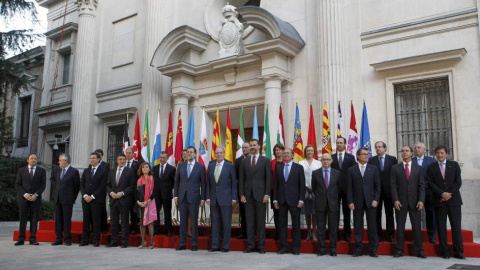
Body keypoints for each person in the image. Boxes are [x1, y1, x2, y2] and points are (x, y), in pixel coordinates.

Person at [427, 145, 464, 259]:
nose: (439, 155)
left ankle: (458, 252)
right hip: (439, 201)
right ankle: (445, 252)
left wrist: (448, 194)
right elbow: (431, 183)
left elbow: (458, 182)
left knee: (456, 227)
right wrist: (442, 194)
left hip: (454, 202)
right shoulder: (431, 167)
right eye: (437, 153)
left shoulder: (454, 165)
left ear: (446, 154)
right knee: (441, 228)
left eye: (442, 153)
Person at [391, 146, 426, 258]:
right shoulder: (395, 168)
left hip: (415, 202)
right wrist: (395, 199)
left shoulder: (418, 168)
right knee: (400, 227)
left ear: (412, 153)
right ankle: (399, 250)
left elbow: (421, 186)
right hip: (400, 202)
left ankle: (419, 250)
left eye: (407, 151)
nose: (404, 152)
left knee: (416, 227)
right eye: (403, 151)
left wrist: (421, 200)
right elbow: (392, 186)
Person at [239, 139, 271, 254]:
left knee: (260, 222)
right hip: (248, 196)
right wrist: (241, 194)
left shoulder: (265, 160)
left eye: (254, 145)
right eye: (251, 145)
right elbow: (241, 180)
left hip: (261, 195)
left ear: (259, 146)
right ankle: (251, 245)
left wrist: (267, 194)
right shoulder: (244, 161)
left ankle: (261, 246)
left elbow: (268, 179)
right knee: (250, 222)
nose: (252, 147)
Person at [347, 147, 380, 257]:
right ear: (358, 156)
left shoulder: (373, 168)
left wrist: (376, 199)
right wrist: (350, 201)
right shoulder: (351, 170)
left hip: (371, 202)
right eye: (364, 154)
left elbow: (377, 186)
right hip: (357, 202)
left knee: (372, 226)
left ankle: (373, 249)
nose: (367, 156)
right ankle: (358, 249)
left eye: (367, 154)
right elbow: (349, 188)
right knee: (357, 227)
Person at [273, 148, 305, 255]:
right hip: (281, 200)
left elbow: (302, 185)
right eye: (284, 153)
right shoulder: (279, 168)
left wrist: (301, 199)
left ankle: (296, 248)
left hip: (295, 200)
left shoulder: (299, 168)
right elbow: (276, 185)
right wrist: (275, 200)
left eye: (288, 153)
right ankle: (284, 247)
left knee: (296, 225)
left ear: (292, 155)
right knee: (282, 225)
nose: (286, 155)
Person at [174, 146, 206, 251]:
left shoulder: (200, 167)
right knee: (182, 222)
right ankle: (182, 243)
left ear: (195, 154)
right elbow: (177, 182)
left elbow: (204, 184)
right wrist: (175, 196)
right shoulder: (181, 165)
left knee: (193, 222)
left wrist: (202, 199)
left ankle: (194, 244)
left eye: (191, 152)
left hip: (194, 198)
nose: (189, 154)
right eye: (188, 152)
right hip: (182, 198)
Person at [206, 146, 237, 252]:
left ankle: (225, 246)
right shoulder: (211, 166)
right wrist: (208, 197)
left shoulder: (230, 166)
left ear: (224, 154)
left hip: (226, 198)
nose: (219, 154)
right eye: (217, 153)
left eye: (221, 153)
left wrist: (233, 197)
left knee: (226, 223)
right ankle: (215, 245)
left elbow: (234, 183)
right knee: (214, 223)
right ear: (215, 154)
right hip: (214, 199)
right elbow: (208, 184)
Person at [367, 141, 398, 242]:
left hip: (389, 191)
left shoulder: (392, 159)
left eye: (380, 147)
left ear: (385, 148)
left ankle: (390, 235)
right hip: (376, 192)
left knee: (389, 214)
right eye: (376, 147)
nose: (378, 149)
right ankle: (378, 235)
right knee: (376, 214)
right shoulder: (371, 160)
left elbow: (394, 176)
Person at [14, 153, 46, 246]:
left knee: (34, 218)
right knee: (22, 218)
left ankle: (33, 239)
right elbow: (18, 184)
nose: (33, 160)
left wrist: (36, 195)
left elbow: (43, 185)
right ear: (28, 160)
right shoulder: (21, 170)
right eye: (31, 158)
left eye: (35, 159)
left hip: (35, 199)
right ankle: (21, 239)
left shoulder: (41, 171)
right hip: (23, 198)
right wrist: (25, 194)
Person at [312, 153, 340, 256]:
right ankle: (322, 248)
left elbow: (339, 188)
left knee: (333, 228)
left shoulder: (337, 173)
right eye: (324, 159)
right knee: (321, 227)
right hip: (320, 203)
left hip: (333, 203)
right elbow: (314, 188)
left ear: (331, 161)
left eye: (328, 159)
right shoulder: (315, 173)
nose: (326, 161)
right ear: (321, 161)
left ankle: (333, 248)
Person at [106, 153, 135, 248]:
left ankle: (124, 241)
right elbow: (108, 185)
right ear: (117, 161)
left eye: (123, 159)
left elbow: (132, 186)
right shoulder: (112, 171)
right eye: (120, 159)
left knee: (124, 222)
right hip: (113, 200)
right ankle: (114, 241)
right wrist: (111, 193)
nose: (122, 161)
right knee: (113, 222)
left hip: (124, 200)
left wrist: (122, 193)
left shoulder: (129, 171)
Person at [80, 152, 108, 247]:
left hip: (96, 200)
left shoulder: (103, 171)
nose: (91, 160)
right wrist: (85, 196)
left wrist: (92, 196)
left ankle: (96, 240)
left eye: (93, 158)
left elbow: (102, 186)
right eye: (90, 158)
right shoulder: (86, 171)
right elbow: (82, 185)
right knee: (86, 220)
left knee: (96, 220)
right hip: (85, 200)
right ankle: (85, 239)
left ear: (98, 159)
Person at [51, 154, 80, 246]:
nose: (58, 162)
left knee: (67, 219)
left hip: (68, 199)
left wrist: (72, 197)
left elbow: (76, 186)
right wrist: (58, 188)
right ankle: (58, 238)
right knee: (58, 219)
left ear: (66, 162)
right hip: (57, 198)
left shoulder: (74, 172)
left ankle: (67, 238)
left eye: (60, 160)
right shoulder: (56, 170)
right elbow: (52, 180)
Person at [331, 137, 356, 242]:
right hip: (334, 189)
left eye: (341, 143)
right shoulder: (331, 157)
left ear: (345, 144)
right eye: (337, 143)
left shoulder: (350, 157)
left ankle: (347, 234)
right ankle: (335, 235)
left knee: (347, 213)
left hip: (347, 189)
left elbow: (353, 174)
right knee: (334, 213)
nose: (339, 144)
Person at [412, 142, 437, 244]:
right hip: (414, 192)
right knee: (415, 214)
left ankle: (432, 236)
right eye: (415, 148)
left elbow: (434, 176)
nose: (417, 149)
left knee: (431, 214)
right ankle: (416, 237)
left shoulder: (431, 161)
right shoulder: (411, 161)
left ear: (424, 149)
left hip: (429, 191)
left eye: (419, 147)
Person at [299, 144, 321, 241]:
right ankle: (308, 232)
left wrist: (314, 188)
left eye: (311, 150)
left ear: (314, 152)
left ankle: (314, 233)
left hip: (316, 190)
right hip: (305, 190)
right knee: (307, 212)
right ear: (305, 152)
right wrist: (306, 187)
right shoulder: (300, 162)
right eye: (308, 151)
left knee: (314, 212)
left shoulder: (318, 163)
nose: (310, 152)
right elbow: (299, 177)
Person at [152, 151, 176, 236]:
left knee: (167, 213)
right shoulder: (154, 168)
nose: (162, 159)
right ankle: (156, 229)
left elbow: (174, 182)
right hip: (156, 194)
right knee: (156, 212)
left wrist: (168, 190)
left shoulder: (172, 169)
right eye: (161, 157)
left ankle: (168, 230)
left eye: (164, 158)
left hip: (167, 194)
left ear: (167, 158)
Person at [136, 162, 157, 249]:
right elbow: (136, 193)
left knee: (150, 223)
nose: (145, 169)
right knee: (142, 223)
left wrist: (148, 200)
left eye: (146, 167)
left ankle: (151, 242)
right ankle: (143, 241)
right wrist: (138, 202)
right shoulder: (139, 180)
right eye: (143, 168)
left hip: (150, 203)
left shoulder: (152, 178)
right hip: (141, 203)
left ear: (149, 169)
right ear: (141, 169)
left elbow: (155, 191)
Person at [234, 142, 250, 239]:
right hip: (242, 192)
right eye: (243, 147)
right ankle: (244, 233)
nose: (244, 149)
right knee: (243, 214)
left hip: (253, 192)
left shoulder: (255, 159)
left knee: (252, 215)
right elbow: (236, 178)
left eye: (246, 147)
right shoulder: (238, 161)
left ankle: (253, 234)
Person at [125, 147, 141, 235]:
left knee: (133, 211)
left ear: (133, 153)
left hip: (134, 192)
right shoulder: (122, 164)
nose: (128, 154)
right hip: (123, 192)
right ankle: (125, 228)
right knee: (124, 212)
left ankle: (134, 228)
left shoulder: (137, 164)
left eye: (129, 153)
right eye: (126, 153)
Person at [270, 143, 284, 240]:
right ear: (274, 152)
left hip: (284, 191)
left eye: (280, 150)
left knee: (283, 212)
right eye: (276, 150)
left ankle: (283, 233)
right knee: (276, 213)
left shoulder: (286, 162)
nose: (278, 151)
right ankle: (278, 232)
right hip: (273, 190)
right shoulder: (271, 162)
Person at [94, 149, 110, 234]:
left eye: (99, 155)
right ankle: (94, 227)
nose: (98, 157)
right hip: (93, 191)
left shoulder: (106, 165)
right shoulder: (91, 165)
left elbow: (106, 177)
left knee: (102, 209)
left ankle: (103, 227)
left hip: (102, 190)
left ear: (102, 156)